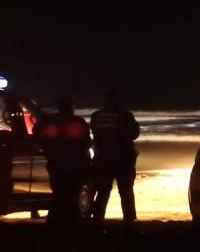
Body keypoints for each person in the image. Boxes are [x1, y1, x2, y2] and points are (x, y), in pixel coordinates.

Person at [36, 95, 91, 230]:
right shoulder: (78, 122)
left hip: (56, 163)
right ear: (71, 106)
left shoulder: (49, 121)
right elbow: (87, 142)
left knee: (58, 193)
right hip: (75, 164)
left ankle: (54, 224)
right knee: (73, 194)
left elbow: (37, 134)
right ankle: (71, 223)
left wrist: (47, 149)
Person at [90, 90, 140, 232]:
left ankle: (97, 222)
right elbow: (134, 134)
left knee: (102, 191)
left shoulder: (97, 116)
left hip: (102, 159)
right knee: (126, 191)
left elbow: (94, 133)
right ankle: (129, 224)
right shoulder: (125, 116)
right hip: (123, 159)